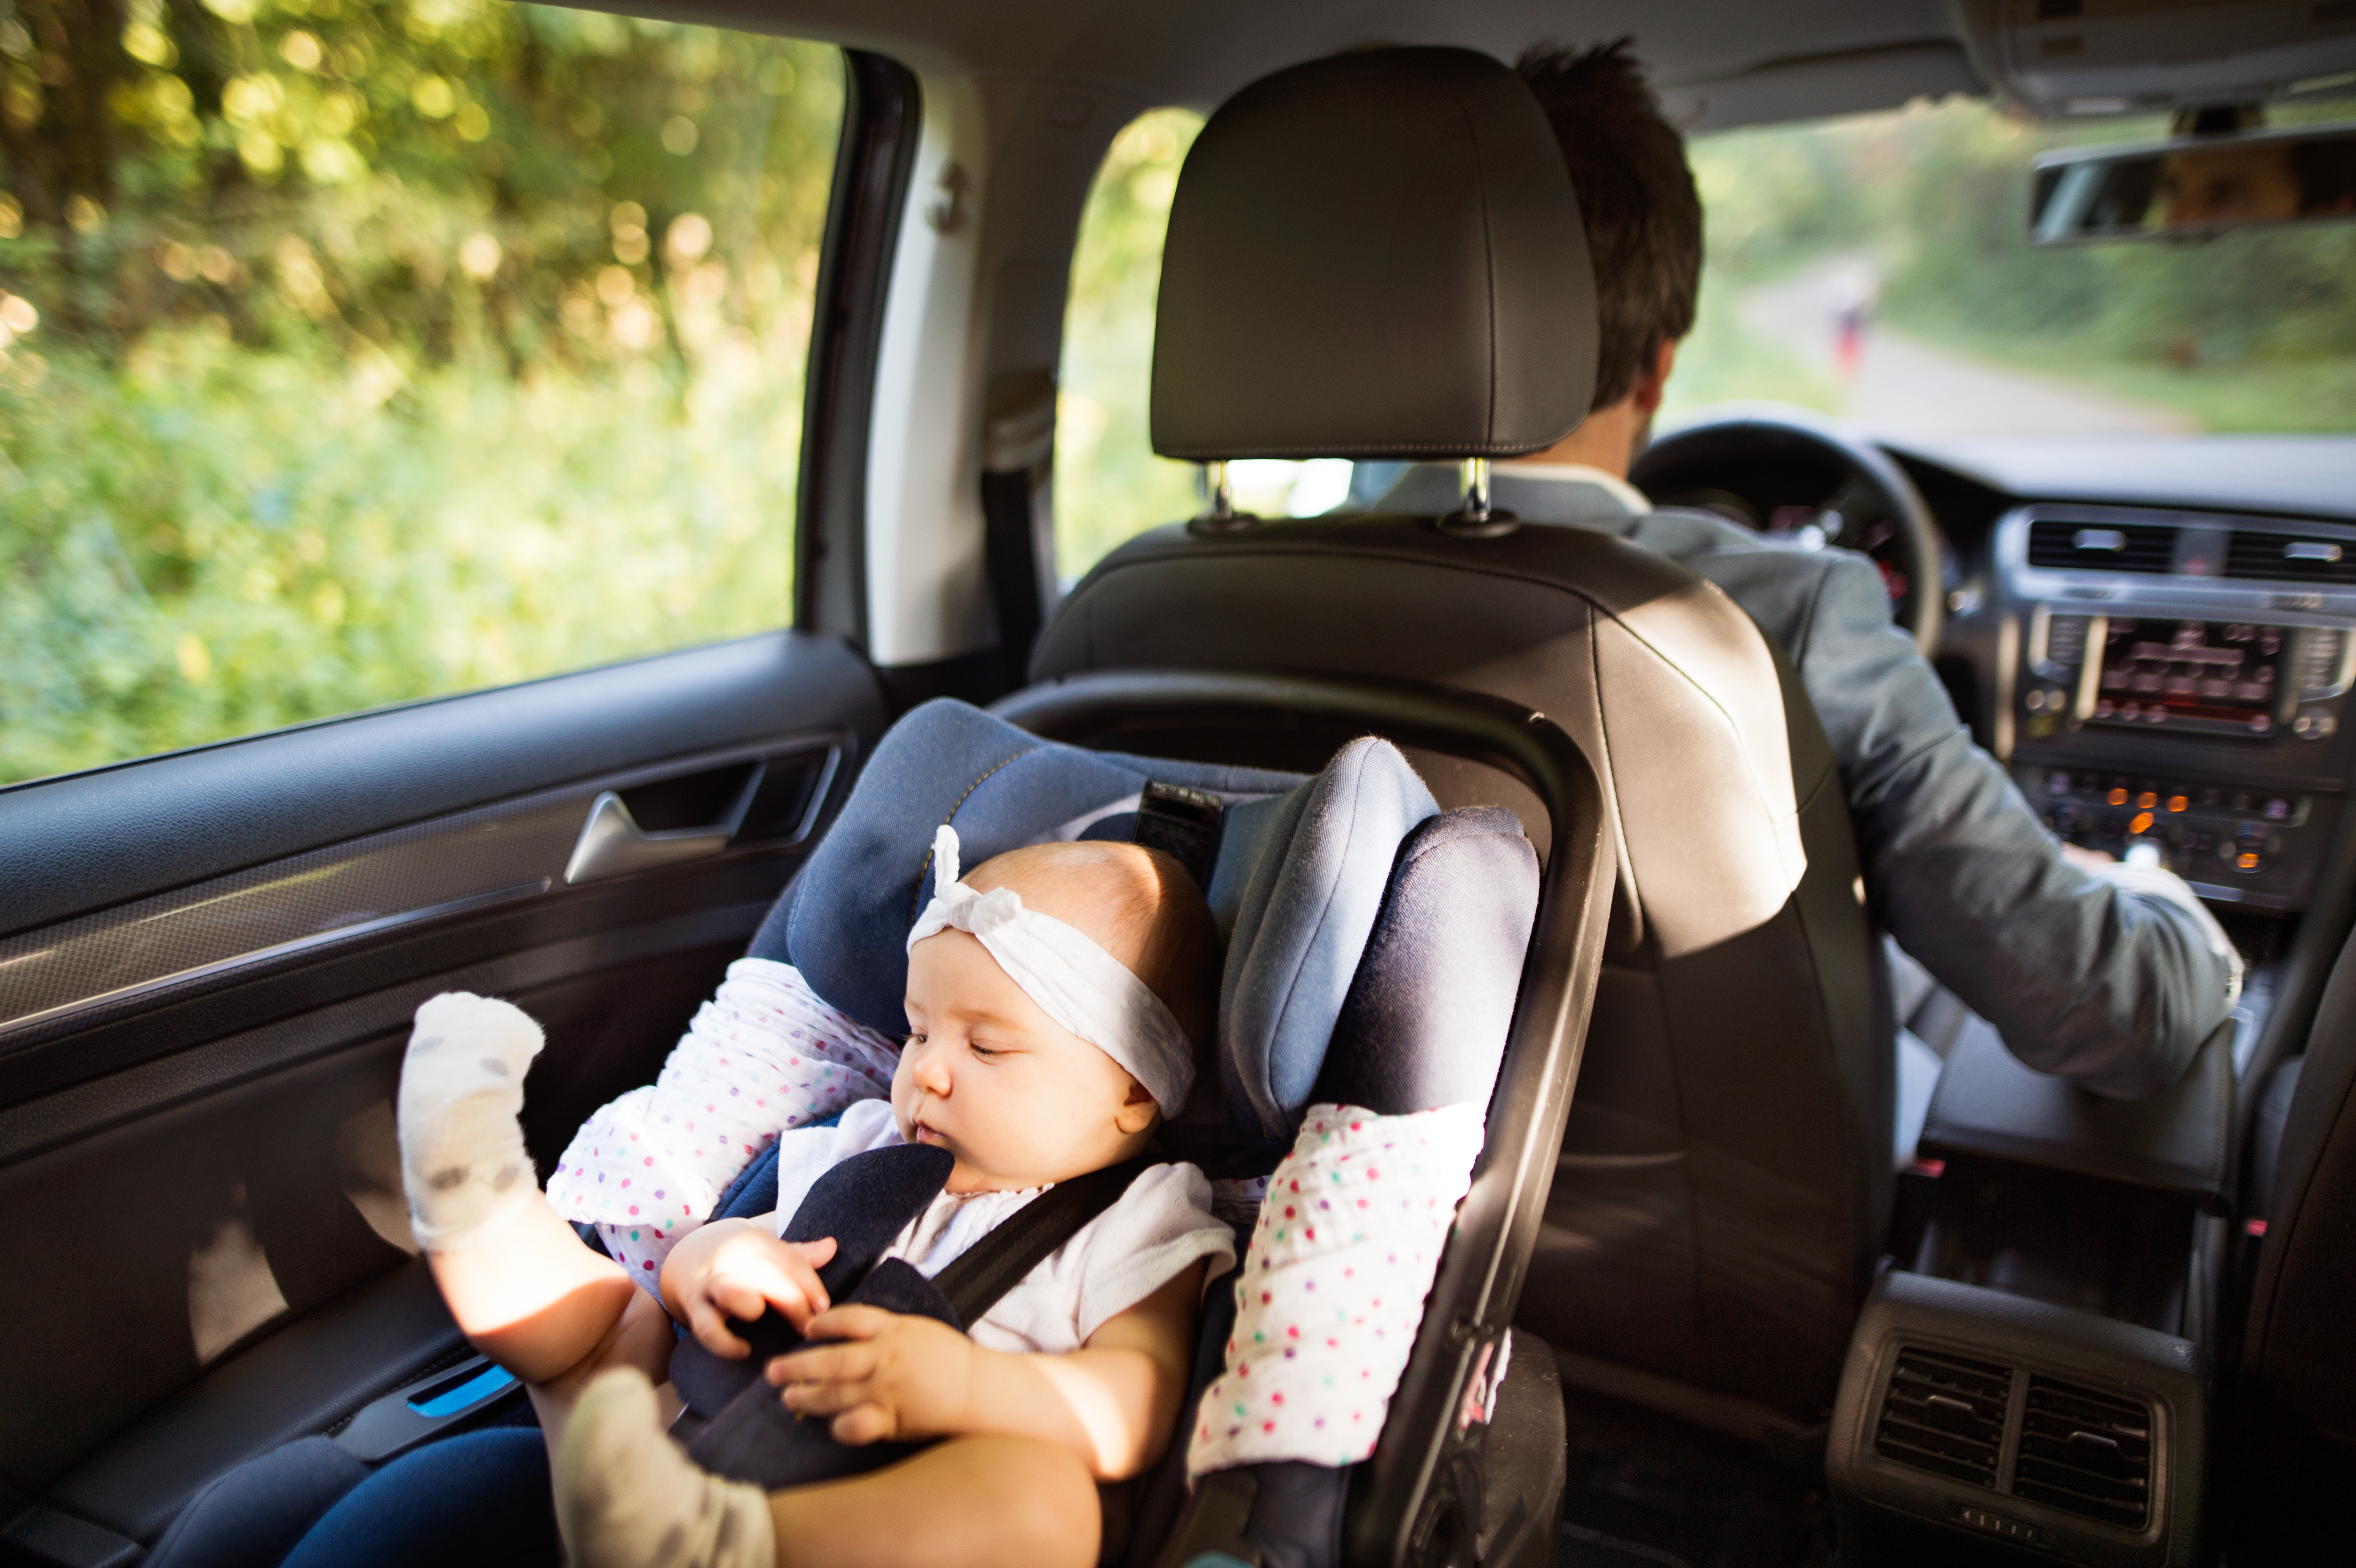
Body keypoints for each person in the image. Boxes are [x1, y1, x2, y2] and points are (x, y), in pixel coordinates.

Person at [1367, 40, 2240, 1102]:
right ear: (1658, 363)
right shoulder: (1787, 616)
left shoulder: (1133, 609)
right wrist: (2168, 906)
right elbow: (2112, 1016)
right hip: (1732, 1255)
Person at [397, 827, 1235, 1568]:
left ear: (1132, 1092)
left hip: (879, 1516)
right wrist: (711, 1259)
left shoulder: (1144, 1211)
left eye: (986, 1045)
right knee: (612, 1326)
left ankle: (725, 1544)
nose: (926, 1071)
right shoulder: (867, 1142)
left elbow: (1141, 1400)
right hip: (673, 1451)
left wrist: (966, 1386)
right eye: (917, 1030)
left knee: (1047, 1502)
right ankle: (476, 1206)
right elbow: (723, 1250)